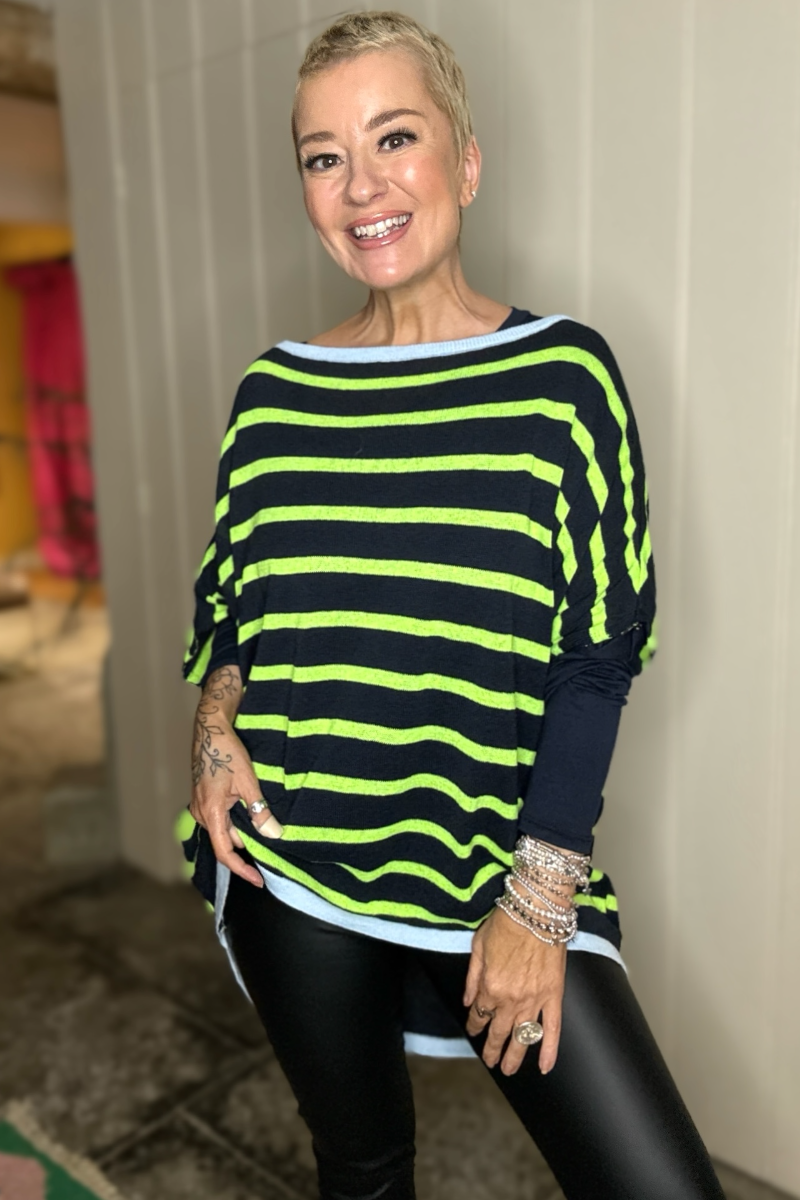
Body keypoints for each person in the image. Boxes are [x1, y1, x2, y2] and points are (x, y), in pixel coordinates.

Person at [181, 12, 725, 1199]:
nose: (359, 185)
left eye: (394, 138)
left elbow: (596, 654)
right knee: (363, 1169)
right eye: (323, 156)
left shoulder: (563, 380)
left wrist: (537, 900)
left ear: (464, 163)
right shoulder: (274, 399)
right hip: (296, 868)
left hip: (497, 871)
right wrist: (214, 730)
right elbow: (234, 614)